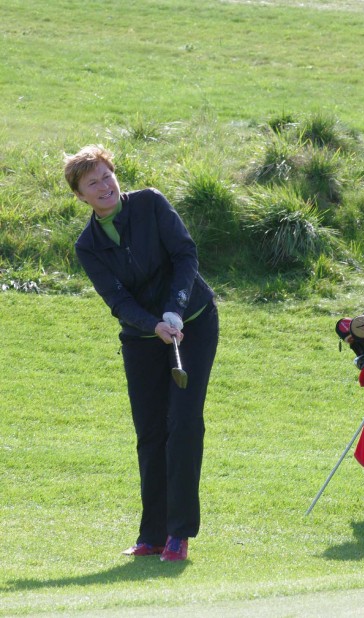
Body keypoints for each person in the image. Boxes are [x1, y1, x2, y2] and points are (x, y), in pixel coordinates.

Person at [64, 145, 219, 562]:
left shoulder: (150, 203)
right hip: (142, 337)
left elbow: (185, 255)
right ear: (80, 195)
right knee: (150, 432)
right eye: (92, 183)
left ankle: (179, 534)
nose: (104, 186)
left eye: (107, 176)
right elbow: (117, 299)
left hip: (193, 323)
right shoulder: (88, 245)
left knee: (183, 423)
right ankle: (152, 534)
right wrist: (153, 325)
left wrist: (175, 309)